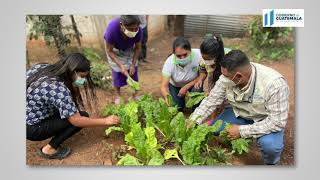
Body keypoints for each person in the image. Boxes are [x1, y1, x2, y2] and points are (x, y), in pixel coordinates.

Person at [190, 50, 290, 165]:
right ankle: (238, 137)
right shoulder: (227, 76)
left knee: (270, 146)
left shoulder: (275, 85)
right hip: (240, 112)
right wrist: (195, 119)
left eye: (226, 76)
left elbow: (277, 122)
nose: (222, 78)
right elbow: (211, 100)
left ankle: (272, 164)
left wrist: (241, 131)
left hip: (265, 119)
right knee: (216, 129)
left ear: (239, 76)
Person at [26, 53, 120, 160]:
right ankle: (49, 149)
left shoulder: (43, 67)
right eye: (82, 76)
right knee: (81, 116)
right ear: (72, 71)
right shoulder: (58, 89)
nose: (83, 80)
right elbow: (77, 121)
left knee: (71, 112)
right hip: (32, 129)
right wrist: (105, 121)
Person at [104, 15, 142, 104]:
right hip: (114, 49)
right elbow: (109, 51)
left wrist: (132, 64)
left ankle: (135, 95)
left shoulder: (138, 31)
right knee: (117, 71)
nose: (134, 31)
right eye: (130, 29)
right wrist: (121, 66)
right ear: (122, 25)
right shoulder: (112, 30)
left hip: (129, 47)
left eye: (136, 28)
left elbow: (137, 48)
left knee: (134, 70)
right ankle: (118, 95)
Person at [160, 37, 203, 111]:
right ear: (174, 54)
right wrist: (167, 97)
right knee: (178, 107)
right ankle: (180, 101)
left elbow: (202, 74)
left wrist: (186, 87)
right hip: (175, 85)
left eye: (185, 54)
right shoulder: (169, 62)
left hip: (193, 83)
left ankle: (196, 109)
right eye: (179, 56)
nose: (182, 58)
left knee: (197, 89)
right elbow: (163, 86)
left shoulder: (199, 55)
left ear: (190, 51)